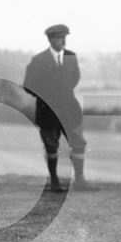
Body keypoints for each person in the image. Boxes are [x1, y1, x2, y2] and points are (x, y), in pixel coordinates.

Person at [22, 23, 97, 192]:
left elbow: (75, 78)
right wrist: (48, 95)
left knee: (78, 143)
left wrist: (63, 92)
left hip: (69, 109)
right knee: (51, 146)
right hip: (47, 110)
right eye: (59, 38)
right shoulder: (39, 60)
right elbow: (28, 85)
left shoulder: (71, 56)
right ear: (50, 39)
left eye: (65, 37)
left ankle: (80, 179)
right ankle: (54, 180)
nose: (63, 41)